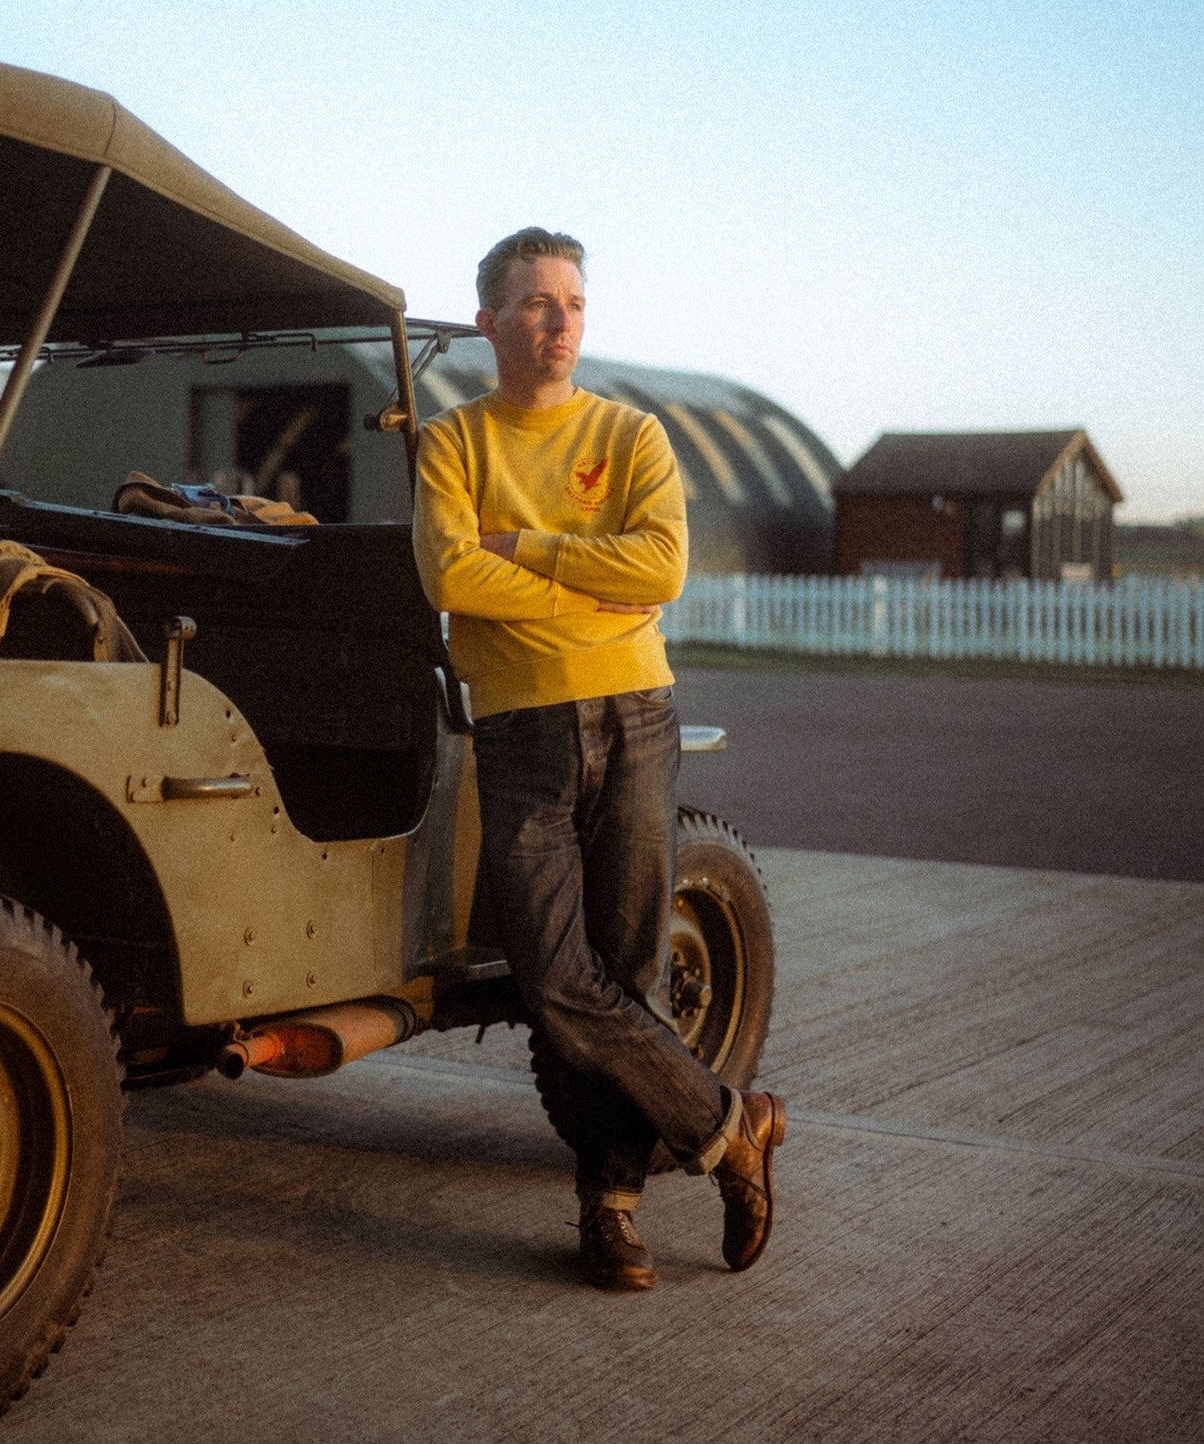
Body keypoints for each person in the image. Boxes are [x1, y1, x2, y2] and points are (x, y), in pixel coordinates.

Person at [412, 227, 785, 1291]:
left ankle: (608, 1208)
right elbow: (447, 575)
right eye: (533, 302)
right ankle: (730, 1129)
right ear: (488, 320)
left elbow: (659, 566)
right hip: (523, 728)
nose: (557, 320)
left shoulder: (632, 437)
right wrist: (593, 589)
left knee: (627, 967)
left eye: (571, 301)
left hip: (633, 716)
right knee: (553, 979)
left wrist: (521, 548)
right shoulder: (453, 445)